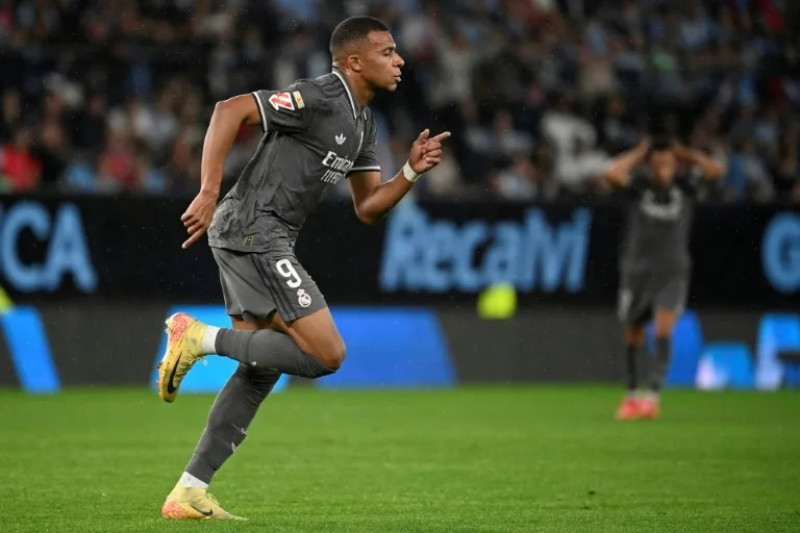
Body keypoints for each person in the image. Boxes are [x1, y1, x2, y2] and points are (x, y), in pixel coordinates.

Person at [156, 17, 450, 520]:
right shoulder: (320, 96)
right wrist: (207, 190)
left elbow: (368, 207)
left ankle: (188, 490)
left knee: (261, 368)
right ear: (353, 61)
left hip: (259, 235)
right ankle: (196, 337)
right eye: (388, 51)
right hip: (255, 230)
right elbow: (229, 111)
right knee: (327, 354)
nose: (399, 60)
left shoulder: (363, 121)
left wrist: (409, 171)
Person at [603, 136, 724, 421]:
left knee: (663, 329)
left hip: (672, 271)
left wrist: (688, 153)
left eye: (668, 163)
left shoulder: (686, 186)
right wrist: (638, 152)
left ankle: (652, 397)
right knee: (633, 332)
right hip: (638, 271)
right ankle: (632, 395)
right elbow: (611, 174)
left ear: (675, 164)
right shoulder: (639, 187)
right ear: (651, 165)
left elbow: (716, 170)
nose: (663, 169)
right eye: (657, 164)